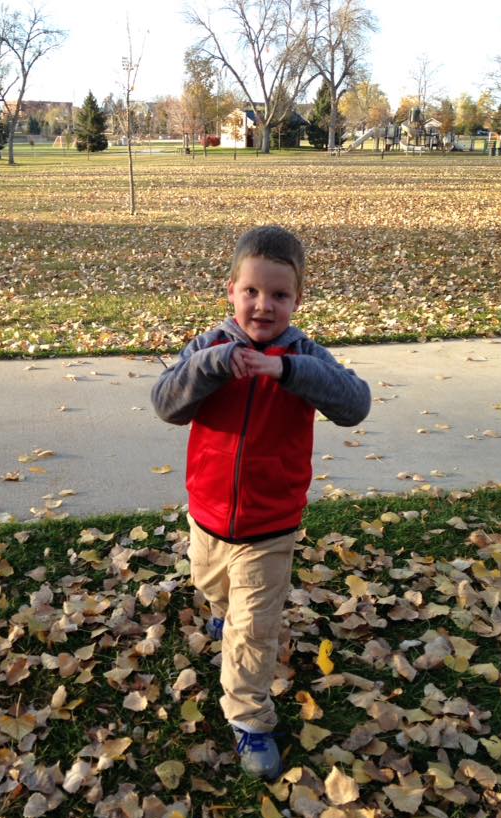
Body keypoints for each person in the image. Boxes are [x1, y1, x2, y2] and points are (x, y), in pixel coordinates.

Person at [151, 226, 371, 779]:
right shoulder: (207, 349)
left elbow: (355, 403)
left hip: (270, 526)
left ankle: (249, 720)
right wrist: (214, 366)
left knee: (253, 633)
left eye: (279, 295)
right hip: (207, 516)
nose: (263, 305)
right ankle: (225, 614)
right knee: (211, 588)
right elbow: (165, 403)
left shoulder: (304, 356)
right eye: (252, 291)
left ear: (297, 300)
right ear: (231, 290)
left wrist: (289, 371)